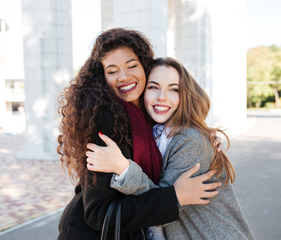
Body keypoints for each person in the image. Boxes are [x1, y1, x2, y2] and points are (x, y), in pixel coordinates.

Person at [57, 28, 222, 240]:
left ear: (145, 67)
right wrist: (174, 197)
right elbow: (98, 212)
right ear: (101, 77)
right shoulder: (104, 120)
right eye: (112, 70)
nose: (124, 76)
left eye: (131, 66)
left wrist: (203, 136)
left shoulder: (147, 115)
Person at [86, 57, 255, 239]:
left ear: (185, 96)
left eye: (173, 89)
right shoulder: (152, 135)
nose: (162, 97)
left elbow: (162, 210)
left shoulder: (190, 140)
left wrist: (123, 168)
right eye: (153, 87)